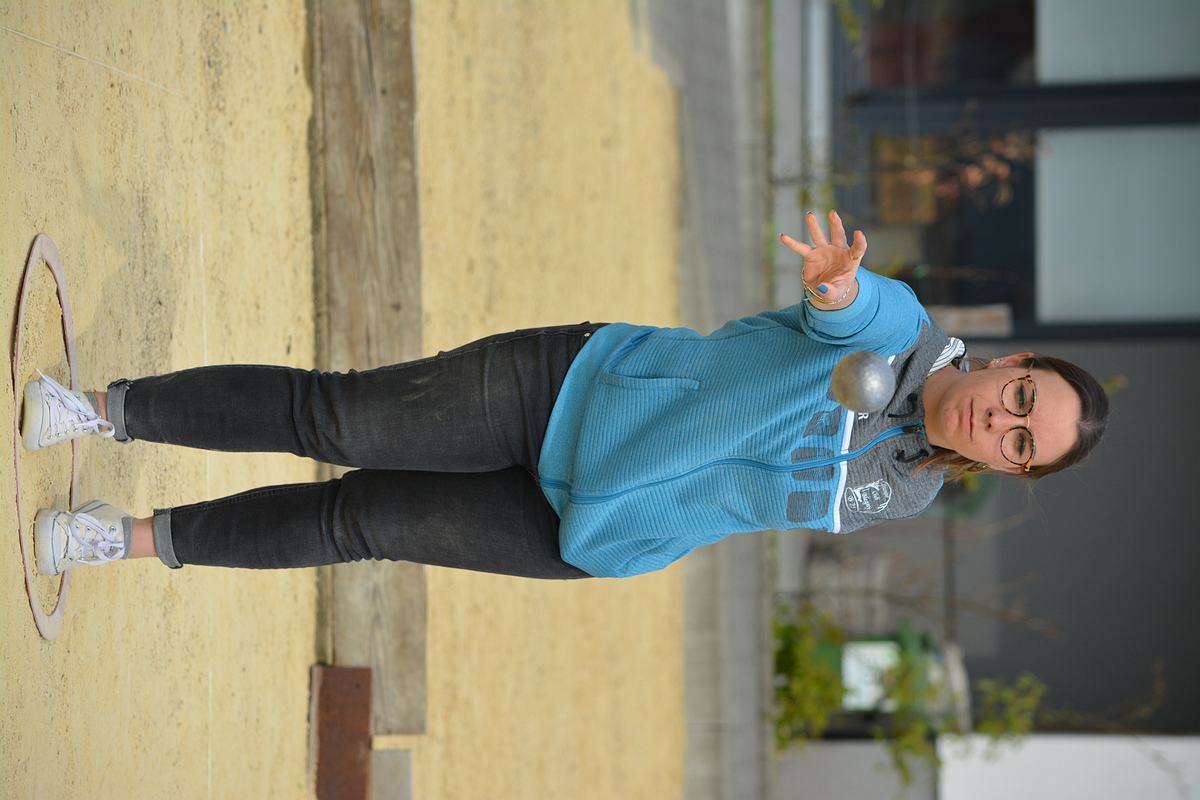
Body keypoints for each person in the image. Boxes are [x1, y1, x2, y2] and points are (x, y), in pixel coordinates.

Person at [23, 210, 1108, 579]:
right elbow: (852, 315)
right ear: (1010, 364)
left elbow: (757, 486)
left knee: (357, 523)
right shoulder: (899, 327)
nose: (1002, 423)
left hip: (589, 527)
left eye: (1023, 444)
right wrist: (839, 288)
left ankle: (124, 539)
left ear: (1008, 467)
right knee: (338, 417)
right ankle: (105, 411)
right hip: (571, 392)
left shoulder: (907, 490)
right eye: (1022, 400)